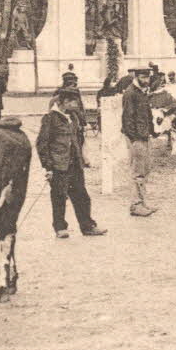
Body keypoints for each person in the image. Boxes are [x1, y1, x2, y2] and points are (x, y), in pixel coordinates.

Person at [36, 91, 105, 240]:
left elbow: (77, 140)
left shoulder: (72, 117)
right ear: (64, 102)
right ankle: (60, 228)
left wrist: (83, 158)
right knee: (59, 197)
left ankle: (87, 226)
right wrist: (48, 167)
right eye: (73, 102)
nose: (76, 105)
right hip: (59, 165)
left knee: (82, 196)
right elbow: (42, 145)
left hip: (75, 165)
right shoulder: (50, 119)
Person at [122, 65, 158, 217]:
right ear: (137, 77)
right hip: (137, 138)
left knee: (145, 169)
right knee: (138, 172)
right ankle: (136, 205)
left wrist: (151, 131)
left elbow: (147, 115)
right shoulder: (131, 93)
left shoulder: (142, 92)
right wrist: (134, 138)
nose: (146, 80)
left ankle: (142, 202)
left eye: (147, 77)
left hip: (144, 135)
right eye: (143, 77)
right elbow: (127, 118)